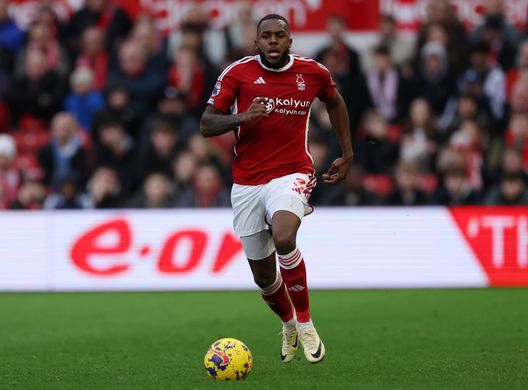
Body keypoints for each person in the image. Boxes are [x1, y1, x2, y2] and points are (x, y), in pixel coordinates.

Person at [200, 14, 352, 364]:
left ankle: (306, 322)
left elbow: (335, 102)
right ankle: (287, 325)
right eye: (265, 36)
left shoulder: (312, 72)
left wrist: (347, 153)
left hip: (292, 173)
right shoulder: (237, 73)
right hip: (247, 183)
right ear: (256, 42)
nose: (272, 41)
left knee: (284, 236)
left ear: (289, 41)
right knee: (265, 277)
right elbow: (207, 124)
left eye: (278, 36)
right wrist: (243, 117)